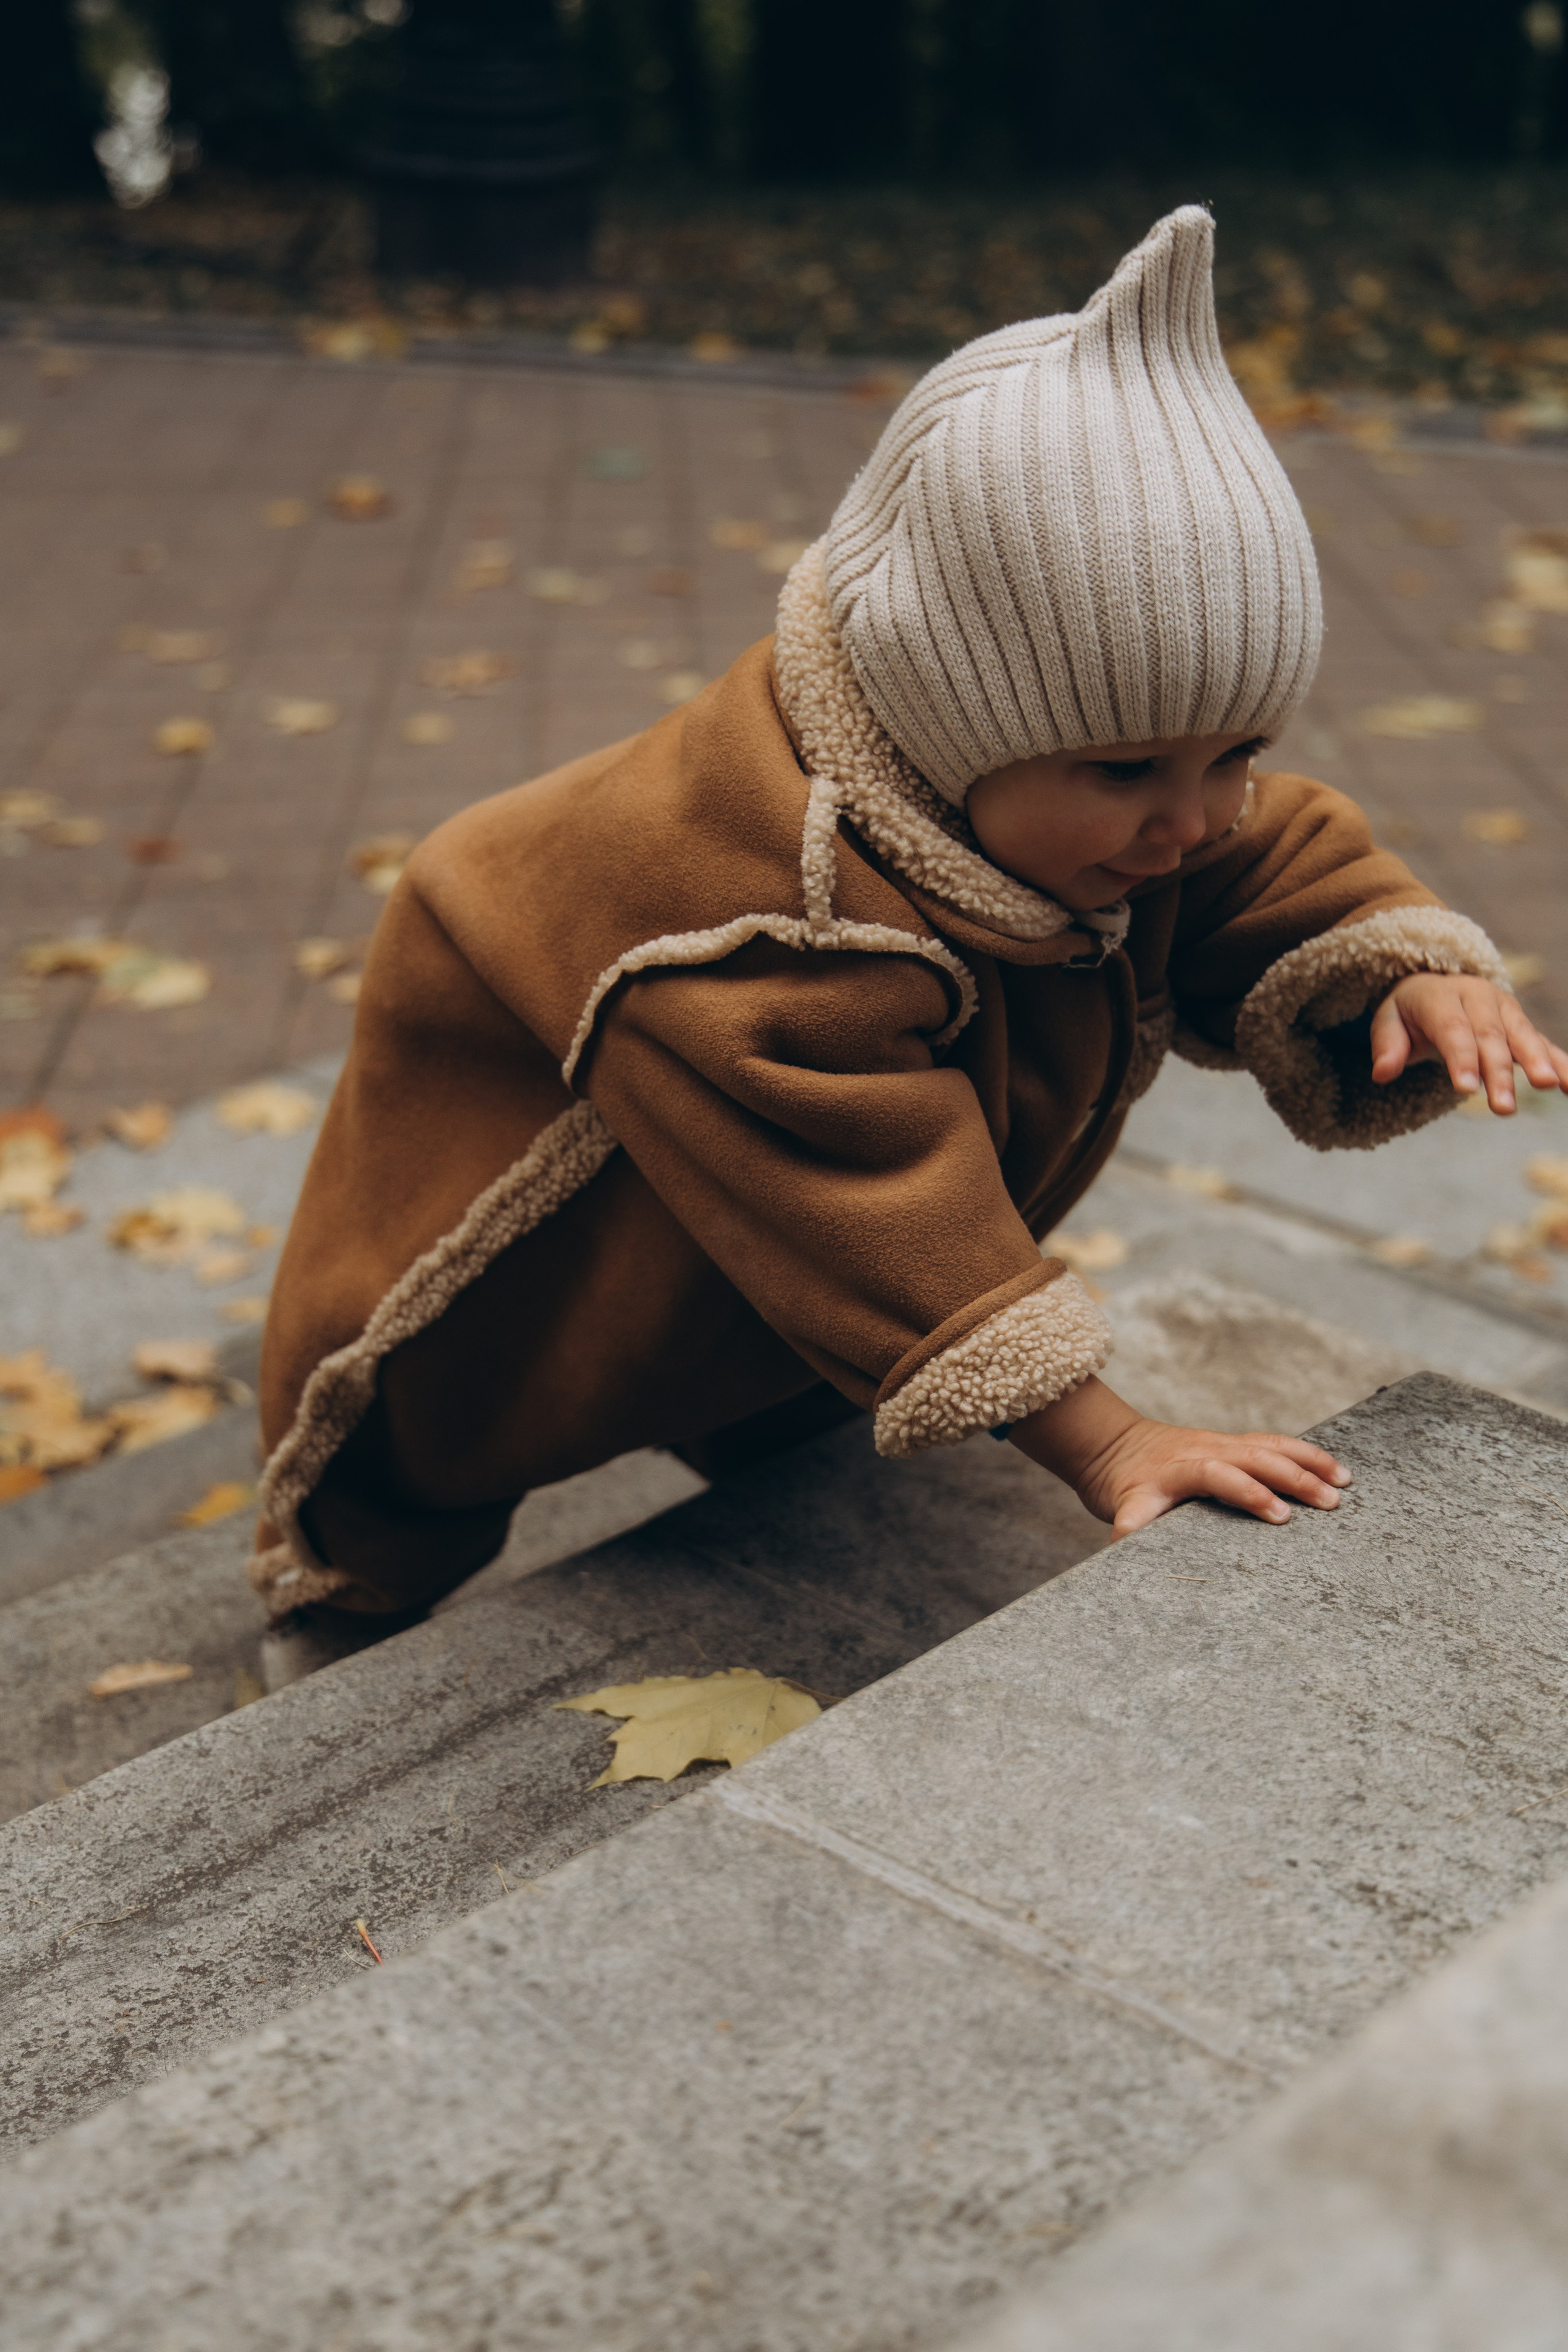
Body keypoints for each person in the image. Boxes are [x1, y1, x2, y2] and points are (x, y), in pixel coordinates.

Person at [250, 206, 1568, 1635]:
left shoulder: (1088, 802)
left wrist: (1399, 962)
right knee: (435, 1425)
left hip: (755, 1177)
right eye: (1129, 769)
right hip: (530, 1159)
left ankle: (770, 1395)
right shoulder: (761, 922)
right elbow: (868, 1196)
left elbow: (1266, 860)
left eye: (1231, 752)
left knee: (766, 1341)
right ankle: (338, 1594)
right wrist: (1112, 1442)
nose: (1192, 816)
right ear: (952, 726)